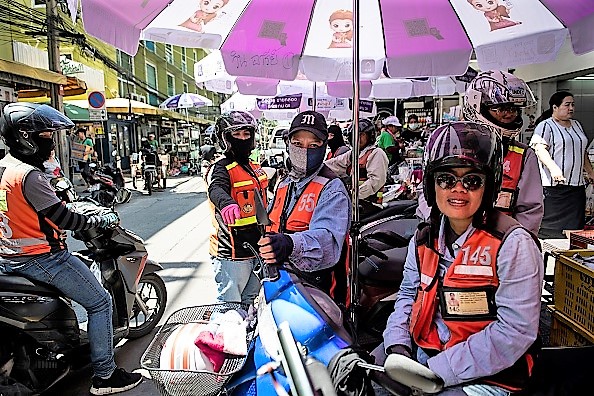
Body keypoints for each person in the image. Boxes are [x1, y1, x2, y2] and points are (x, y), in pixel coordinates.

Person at [375, 122, 543, 395]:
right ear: (432, 185)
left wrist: (438, 371)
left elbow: (515, 331)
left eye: (472, 181)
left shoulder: (513, 244)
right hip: (425, 354)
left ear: (488, 188)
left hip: (490, 375)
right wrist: (398, 346)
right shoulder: (423, 239)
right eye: (446, 180)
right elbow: (407, 296)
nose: (458, 189)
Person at [0, 103, 142, 395]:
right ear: (25, 137)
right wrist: (93, 217)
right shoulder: (29, 176)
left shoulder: (5, 167)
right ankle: (105, 375)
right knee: (100, 301)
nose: (50, 141)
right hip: (42, 258)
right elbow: (64, 219)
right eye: (44, 135)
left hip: (10, 257)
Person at [258, 110, 351, 303]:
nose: (305, 150)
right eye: (298, 144)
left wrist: (290, 244)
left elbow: (328, 240)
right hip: (281, 284)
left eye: (314, 145)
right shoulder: (283, 183)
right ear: (288, 144)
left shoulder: (332, 188)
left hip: (317, 294)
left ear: (324, 147)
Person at [462, 70, 544, 235]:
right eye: (500, 108)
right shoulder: (454, 146)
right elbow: (428, 199)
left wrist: (517, 244)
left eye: (513, 108)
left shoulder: (524, 155)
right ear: (477, 106)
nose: (509, 114)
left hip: (503, 243)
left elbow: (530, 211)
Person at [206, 111, 268, 304]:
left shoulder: (255, 167)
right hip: (232, 252)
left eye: (246, 134)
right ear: (225, 138)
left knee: (250, 301)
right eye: (237, 134)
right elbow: (216, 188)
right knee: (229, 306)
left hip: (257, 248)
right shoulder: (221, 168)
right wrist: (226, 202)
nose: (243, 139)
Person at [529, 91, 594, 238]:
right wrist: (554, 169)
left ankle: (568, 255)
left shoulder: (576, 125)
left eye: (573, 105)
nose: (571, 108)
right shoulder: (545, 126)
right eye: (567, 105)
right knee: (550, 229)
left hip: (576, 187)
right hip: (554, 188)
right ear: (555, 107)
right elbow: (539, 149)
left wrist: (590, 171)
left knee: (574, 227)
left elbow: (581, 151)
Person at [325, 118, 389, 208]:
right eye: (355, 135)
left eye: (362, 135)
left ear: (370, 136)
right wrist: (317, 168)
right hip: (356, 202)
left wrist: (353, 195)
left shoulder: (376, 153)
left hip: (370, 204)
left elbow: (375, 181)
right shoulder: (353, 154)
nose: (358, 138)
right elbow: (335, 163)